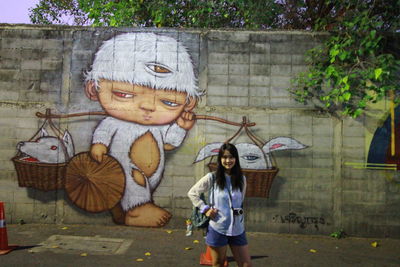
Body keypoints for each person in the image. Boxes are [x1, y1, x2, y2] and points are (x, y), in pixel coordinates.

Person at [84, 32, 202, 227]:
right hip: (125, 170)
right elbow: (103, 132)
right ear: (93, 89)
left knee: (139, 182)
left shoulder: (159, 127)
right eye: (123, 94)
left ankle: (122, 211)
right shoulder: (115, 122)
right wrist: (99, 145)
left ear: (189, 102)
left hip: (151, 177)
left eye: (167, 101)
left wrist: (181, 127)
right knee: (132, 179)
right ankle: (137, 209)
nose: (147, 106)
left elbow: (169, 143)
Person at [188, 143, 252, 267]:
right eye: (224, 157)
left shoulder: (241, 179)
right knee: (218, 263)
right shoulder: (212, 177)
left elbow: (240, 202)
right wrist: (205, 209)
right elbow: (192, 193)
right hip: (218, 227)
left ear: (236, 159)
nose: (228, 161)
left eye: (231, 157)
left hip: (237, 229)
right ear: (220, 159)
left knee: (246, 264)